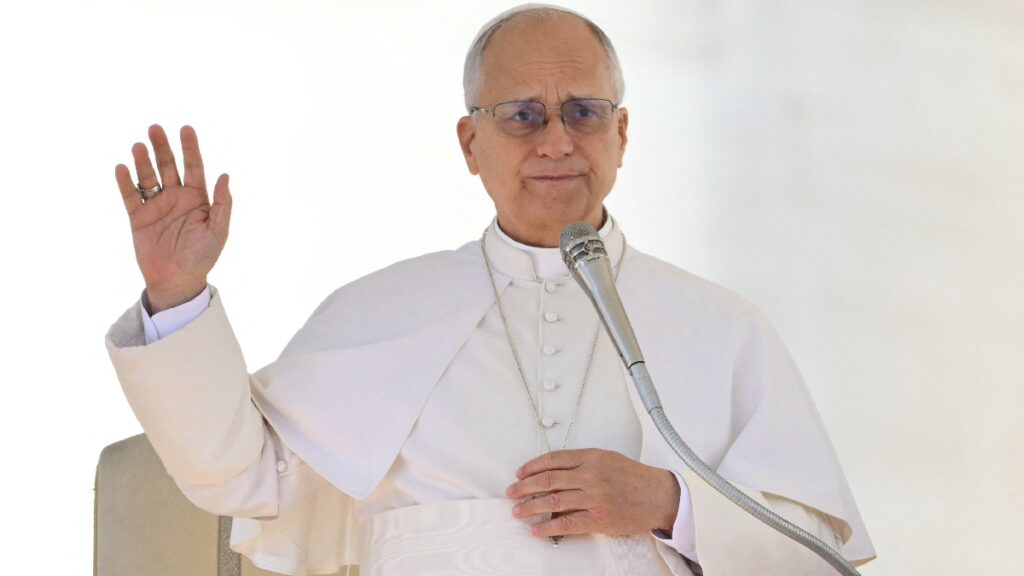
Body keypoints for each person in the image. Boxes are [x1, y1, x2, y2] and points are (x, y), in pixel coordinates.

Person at [107, 5, 874, 575]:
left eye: (584, 112)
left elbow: (818, 556)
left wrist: (670, 505)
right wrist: (177, 294)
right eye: (521, 116)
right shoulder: (378, 314)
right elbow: (236, 474)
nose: (555, 141)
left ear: (622, 136)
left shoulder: (723, 328)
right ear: (471, 143)